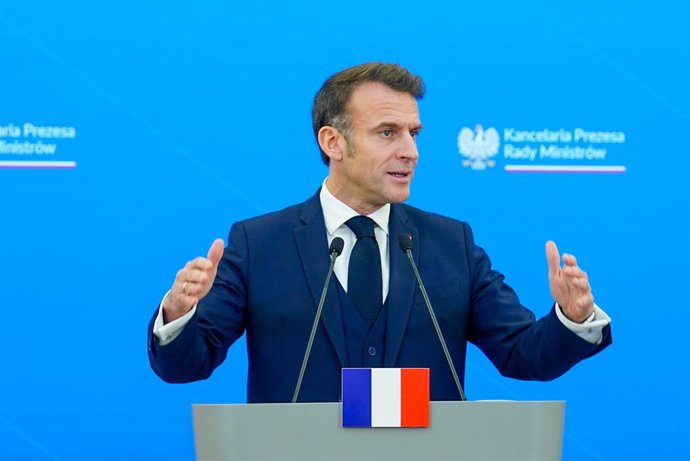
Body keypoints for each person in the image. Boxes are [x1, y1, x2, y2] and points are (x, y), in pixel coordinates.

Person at [148, 62, 612, 403]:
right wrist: (178, 313)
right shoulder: (260, 244)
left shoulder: (452, 244)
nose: (410, 150)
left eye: (414, 132)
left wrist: (572, 317)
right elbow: (188, 363)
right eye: (387, 133)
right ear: (333, 142)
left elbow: (522, 353)